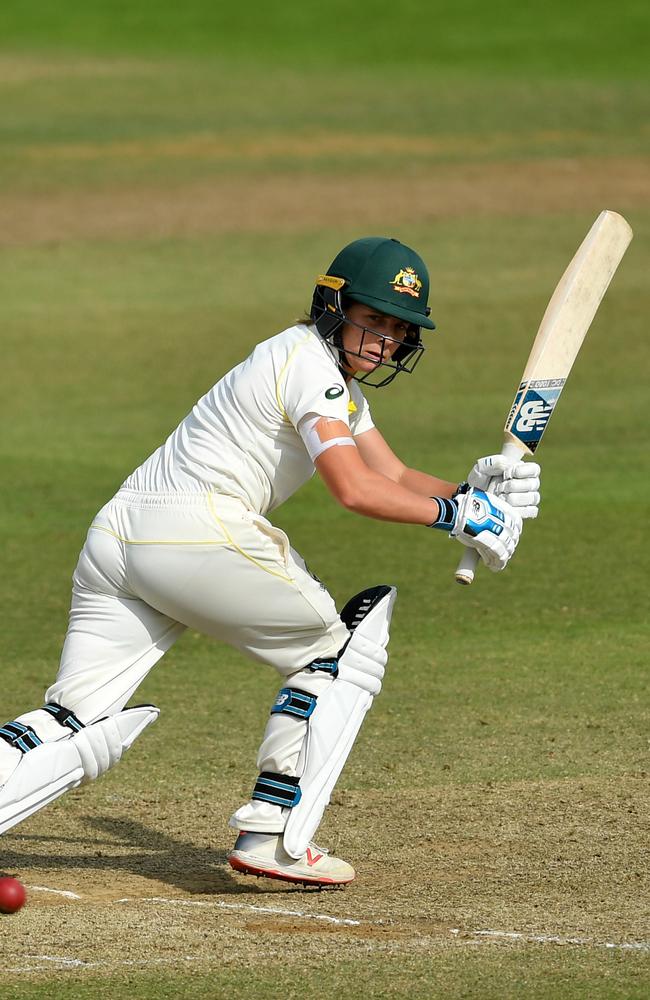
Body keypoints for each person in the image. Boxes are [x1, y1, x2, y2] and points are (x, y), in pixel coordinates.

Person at [0, 237, 540, 887]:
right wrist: (462, 519)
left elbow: (391, 472)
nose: (384, 342)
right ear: (333, 307)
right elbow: (355, 490)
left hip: (119, 536)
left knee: (74, 715)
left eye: (398, 330)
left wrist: (474, 493)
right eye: (374, 321)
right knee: (333, 654)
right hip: (192, 530)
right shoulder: (310, 369)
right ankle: (271, 833)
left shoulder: (320, 377)